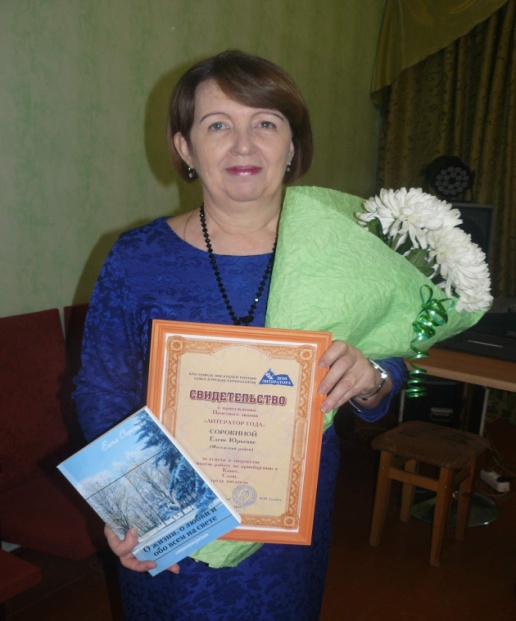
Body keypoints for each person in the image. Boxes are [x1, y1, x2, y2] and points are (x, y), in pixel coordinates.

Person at [74, 50, 406, 621]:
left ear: (293, 146)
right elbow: (101, 388)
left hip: (288, 523)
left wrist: (372, 376)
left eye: (266, 124)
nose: (244, 145)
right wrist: (132, 504)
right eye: (218, 125)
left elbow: (390, 356)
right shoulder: (137, 257)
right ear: (185, 148)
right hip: (174, 519)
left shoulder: (342, 254)